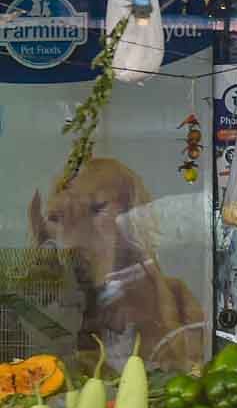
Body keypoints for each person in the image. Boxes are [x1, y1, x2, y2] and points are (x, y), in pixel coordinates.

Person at [28, 158, 205, 371]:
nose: (73, 238)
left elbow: (181, 368)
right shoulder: (58, 298)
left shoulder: (174, 295)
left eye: (97, 209)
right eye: (57, 218)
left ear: (131, 210)